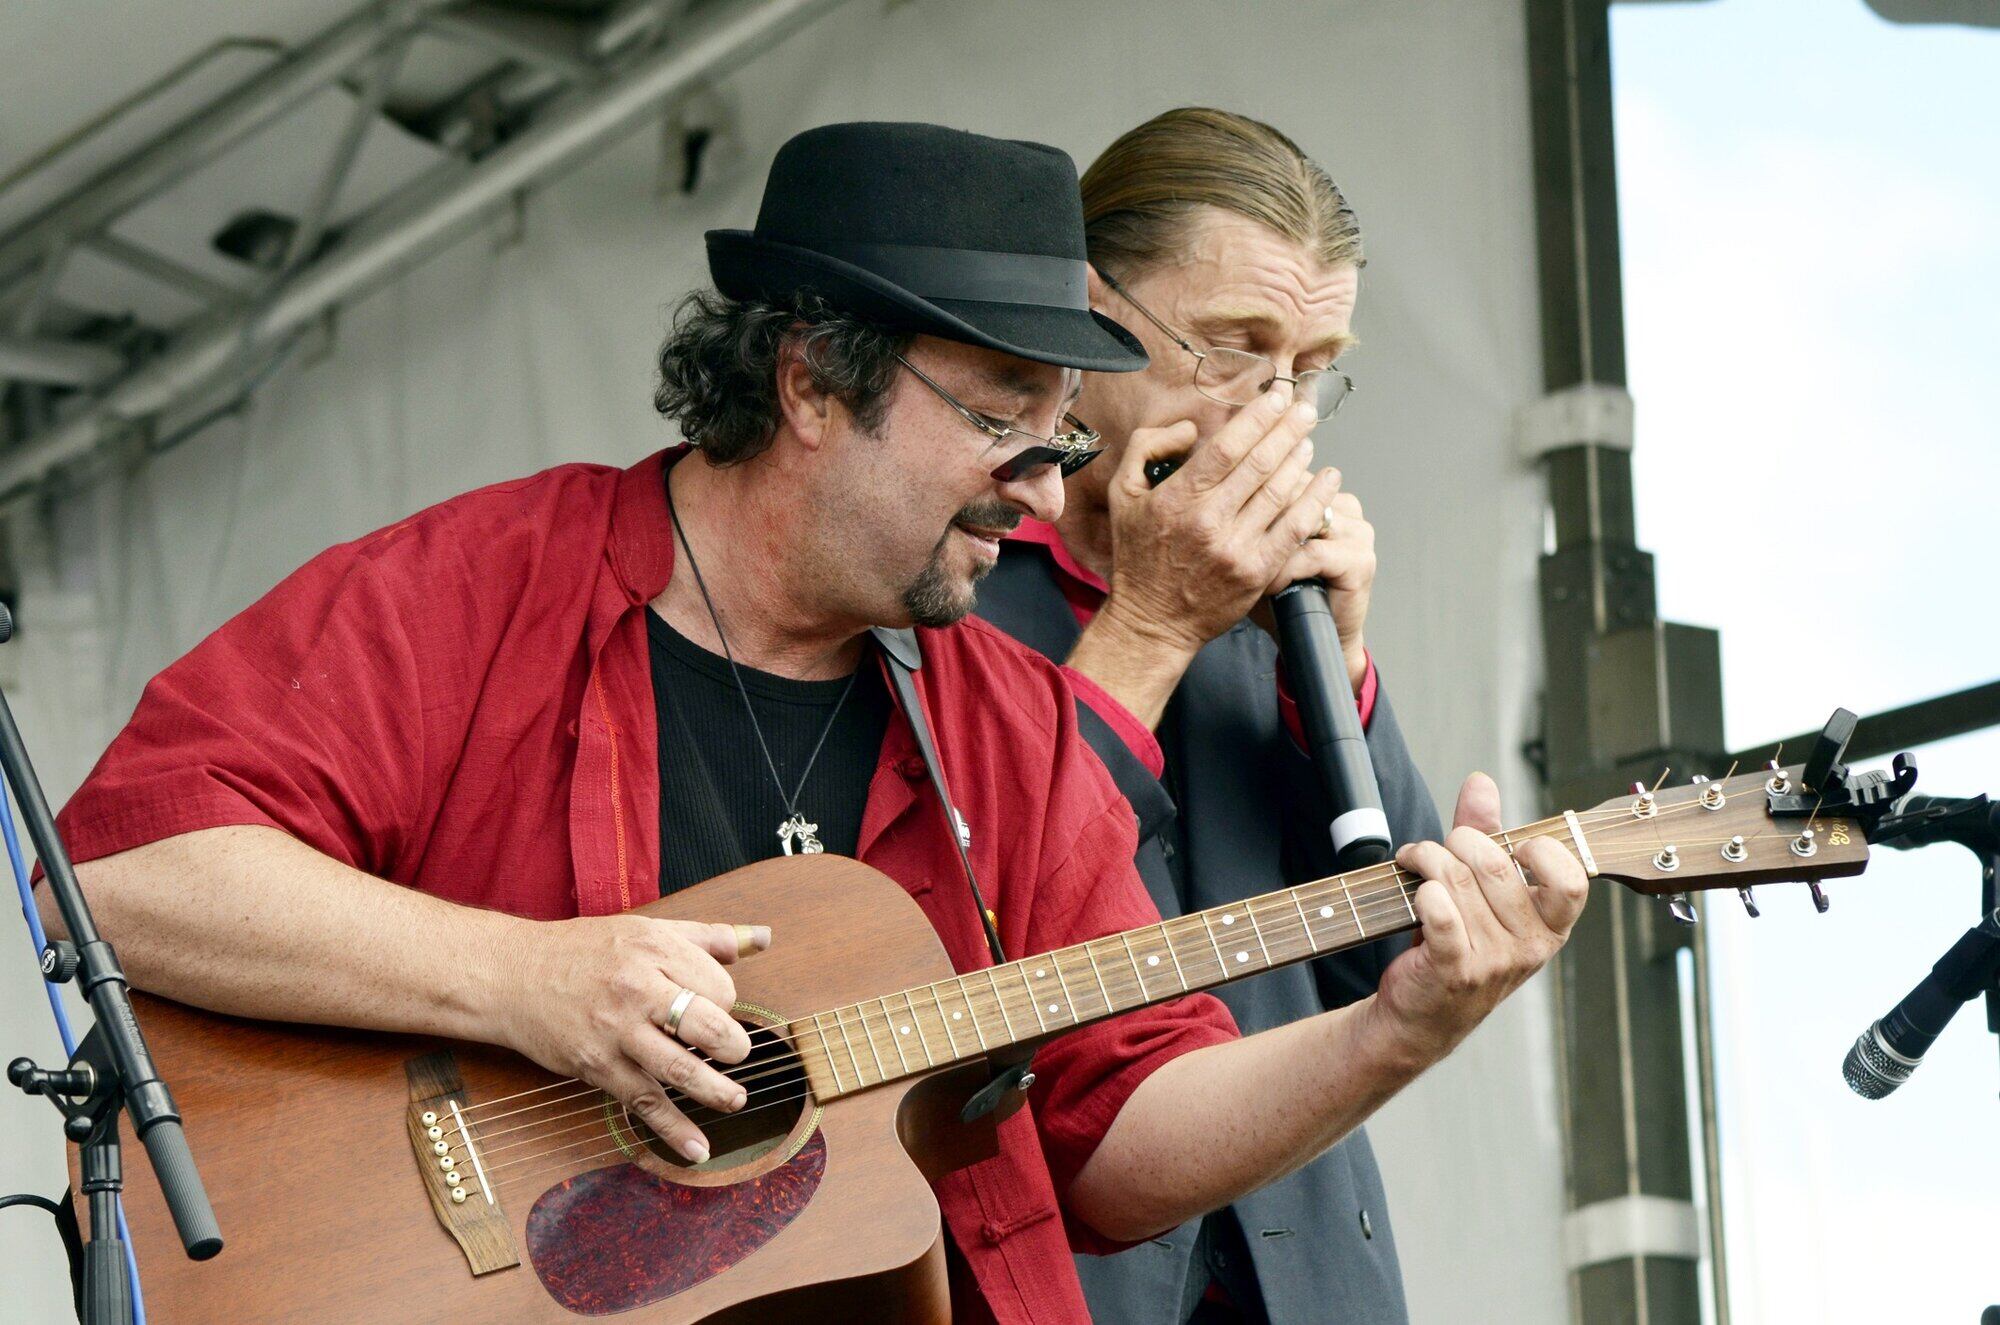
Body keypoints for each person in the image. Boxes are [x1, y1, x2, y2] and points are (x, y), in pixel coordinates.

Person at [41, 122, 1587, 1325]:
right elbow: (121, 877)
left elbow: (1116, 1136)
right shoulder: (486, 586)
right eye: (997, 417)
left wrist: (1398, 1030)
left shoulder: (1008, 724)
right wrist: (524, 979)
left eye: (1058, 430)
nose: (1044, 488)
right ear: (807, 381)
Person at [974, 107, 1432, 1324]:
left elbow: (1387, 953)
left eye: (1311, 367)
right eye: (1235, 346)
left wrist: (1336, 664)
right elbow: (976, 919)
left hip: (1305, 1273)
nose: (1273, 412)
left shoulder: (1266, 607)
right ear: (1092, 305)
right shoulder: (939, 570)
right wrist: (1153, 621)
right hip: (1055, 1270)